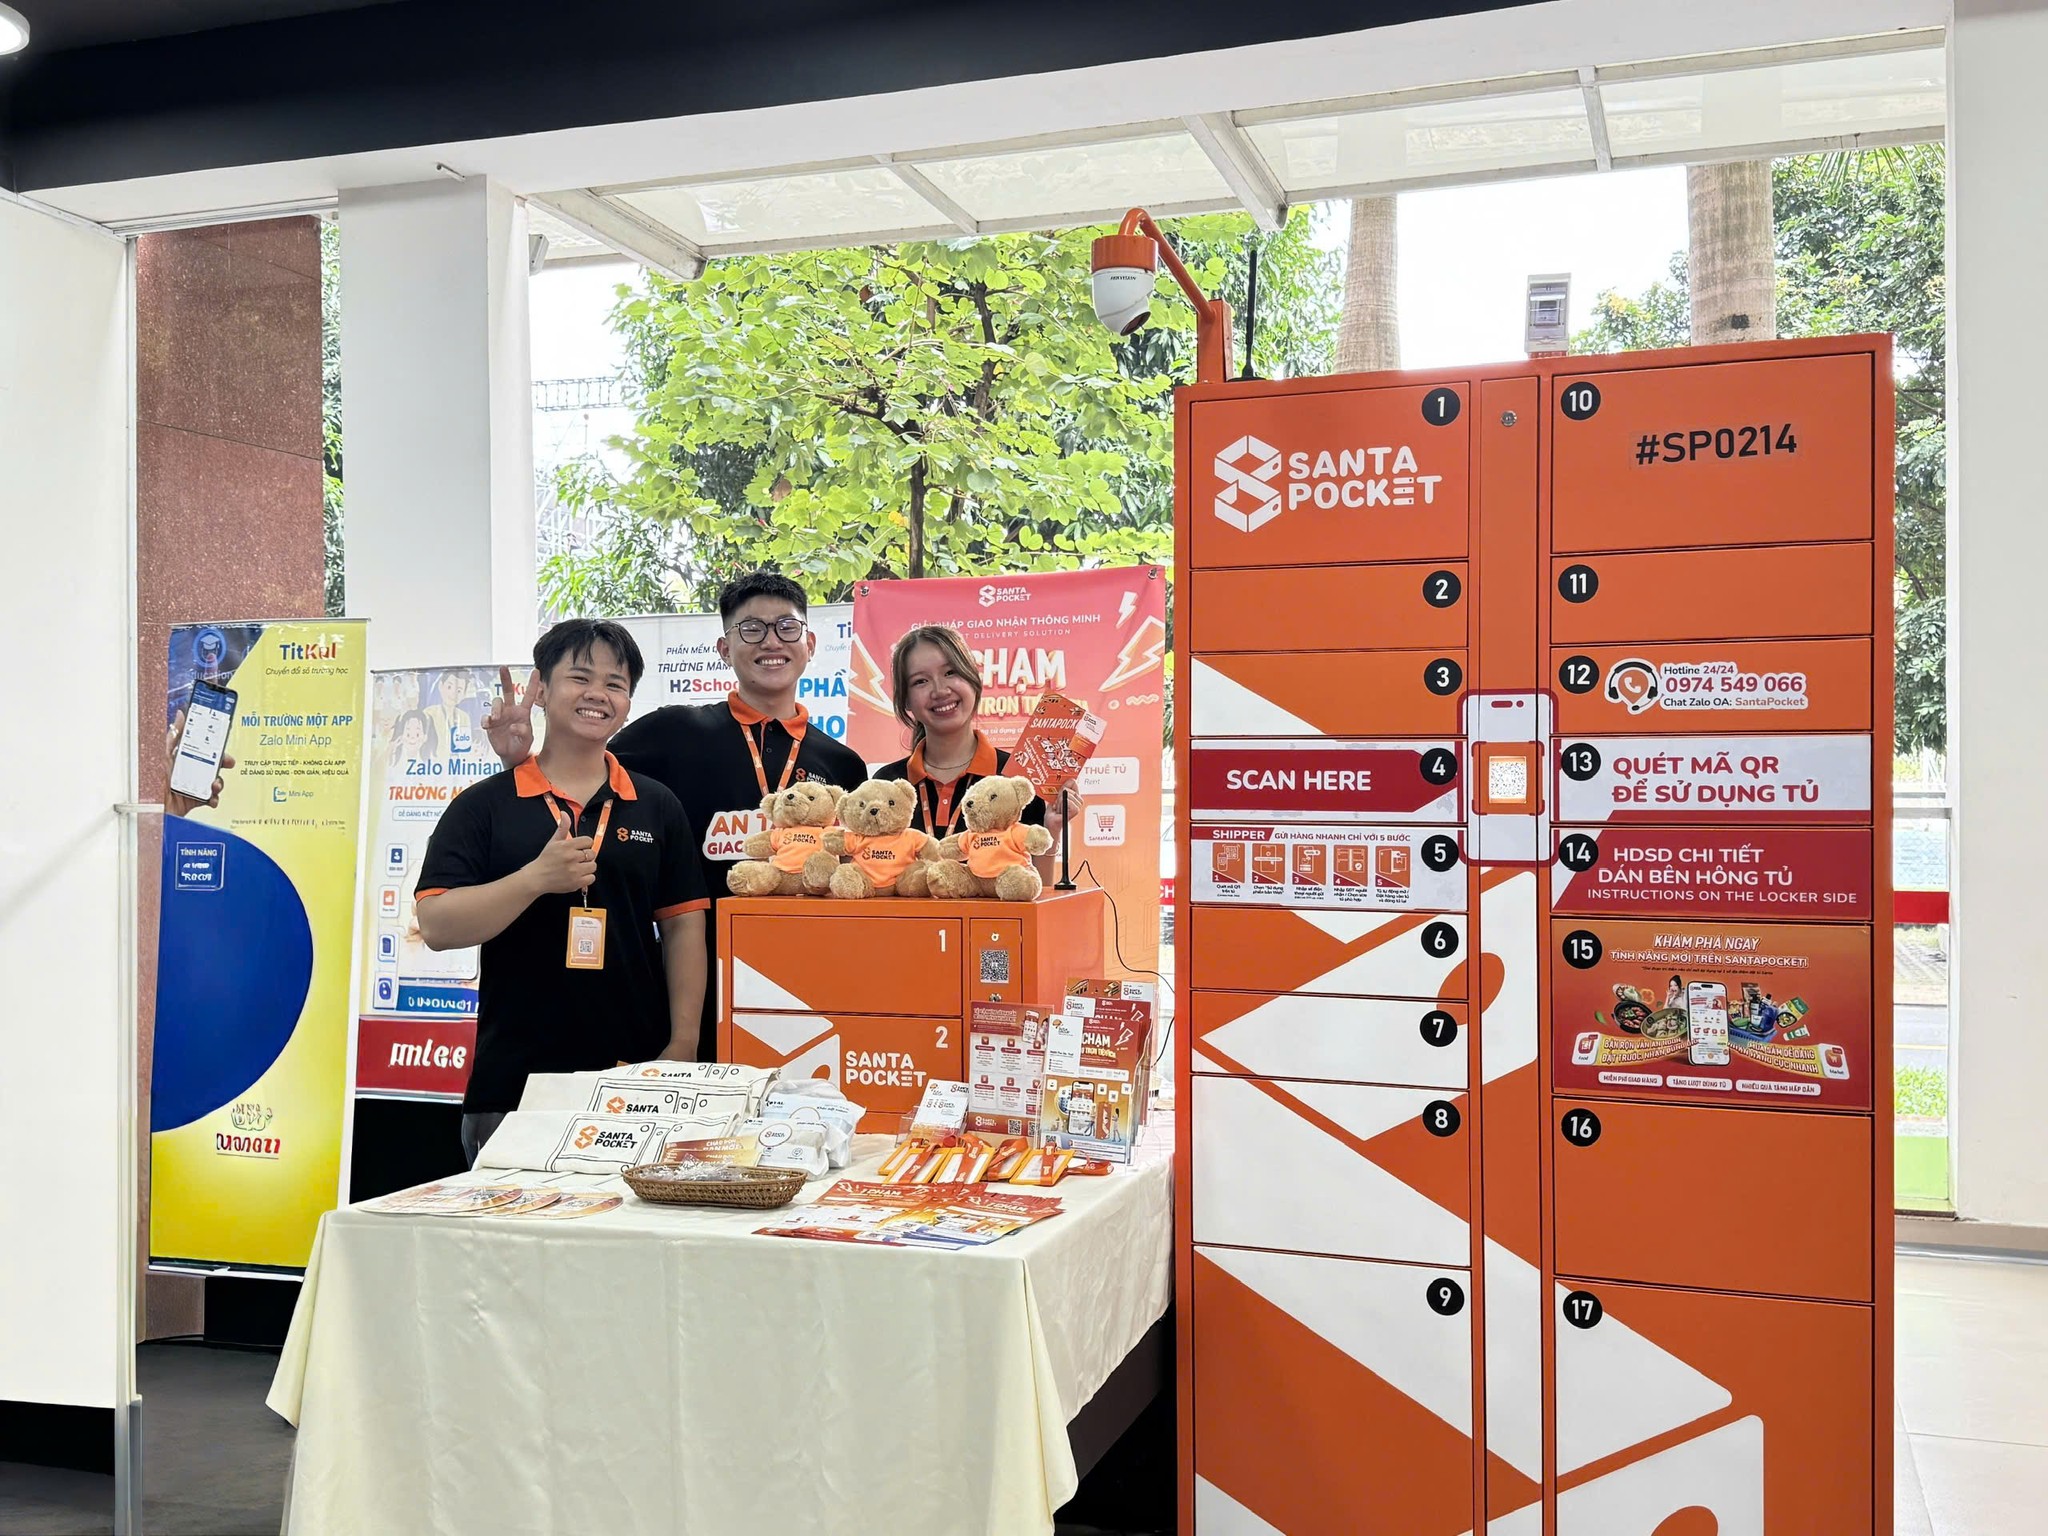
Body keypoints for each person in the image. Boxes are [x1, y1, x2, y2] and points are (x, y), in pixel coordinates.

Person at [483, 571, 867, 1060]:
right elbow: (575, 775)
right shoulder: (673, 731)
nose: (771, 641)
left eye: (786, 627)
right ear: (724, 649)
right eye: (751, 629)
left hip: (808, 983)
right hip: (689, 990)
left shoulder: (842, 765)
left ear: (809, 644)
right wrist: (517, 760)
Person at [417, 619, 709, 1166]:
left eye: (615, 683)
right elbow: (436, 925)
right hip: (515, 1082)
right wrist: (535, 879)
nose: (598, 693)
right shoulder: (485, 805)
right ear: (542, 691)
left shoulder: (656, 805)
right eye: (580, 677)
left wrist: (683, 1045)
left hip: (635, 1076)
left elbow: (683, 926)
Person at [871, 626, 1066, 871]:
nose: (940, 691)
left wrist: (1052, 828)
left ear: (973, 679)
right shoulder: (886, 784)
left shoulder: (1015, 778)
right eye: (920, 681)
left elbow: (1034, 887)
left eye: (950, 672)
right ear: (906, 700)